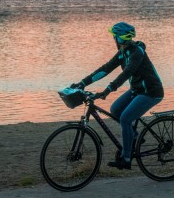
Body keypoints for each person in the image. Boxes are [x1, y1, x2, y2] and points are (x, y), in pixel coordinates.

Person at [70, 22, 164, 170]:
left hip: (151, 92)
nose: (114, 39)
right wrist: (82, 83)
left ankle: (126, 159)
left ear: (122, 38)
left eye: (116, 37)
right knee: (115, 110)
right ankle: (133, 136)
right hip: (137, 90)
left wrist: (108, 90)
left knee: (125, 118)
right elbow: (105, 69)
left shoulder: (137, 52)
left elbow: (126, 73)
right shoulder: (122, 52)